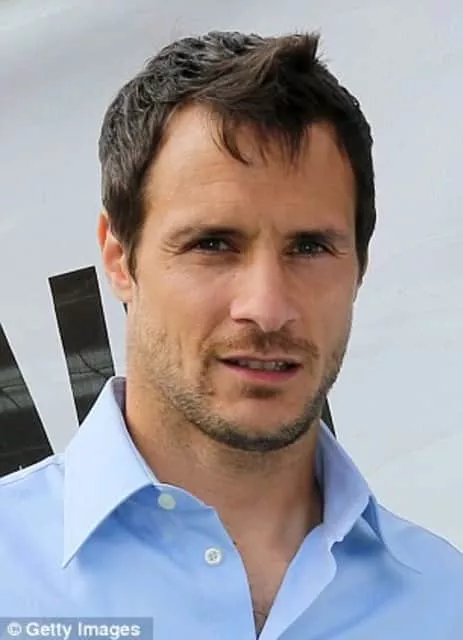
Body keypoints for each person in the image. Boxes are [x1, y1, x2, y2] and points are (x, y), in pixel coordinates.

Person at [0, 30, 461, 639]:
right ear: (118, 258)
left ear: (360, 266)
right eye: (213, 244)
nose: (267, 309)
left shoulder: (445, 600)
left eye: (310, 247)